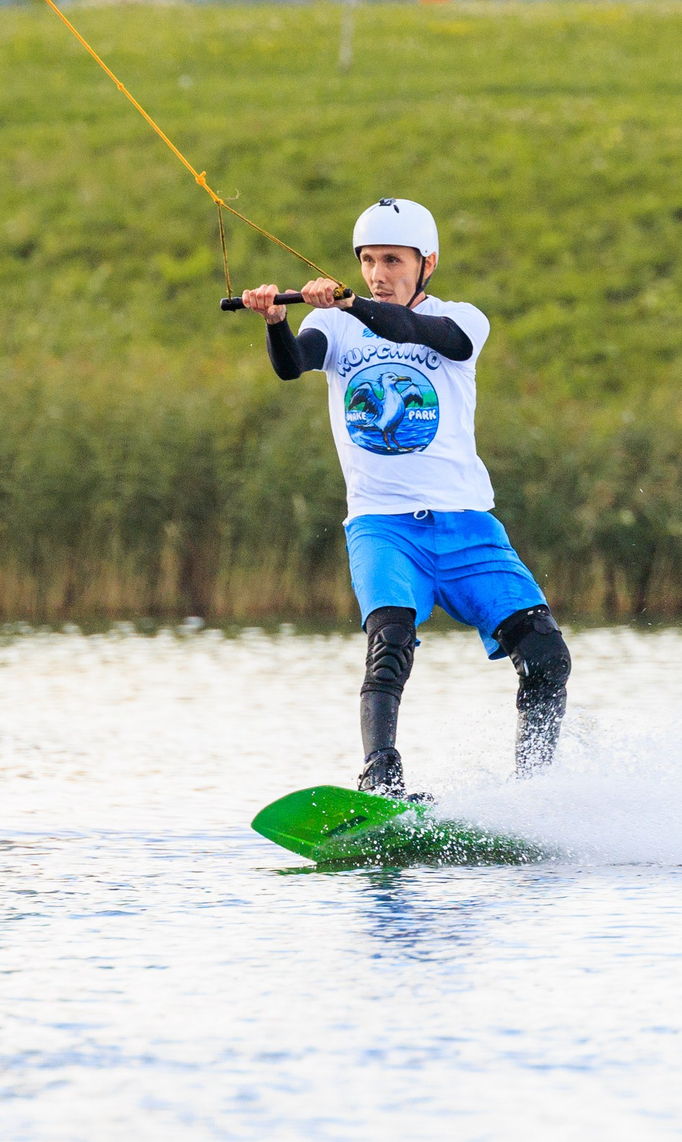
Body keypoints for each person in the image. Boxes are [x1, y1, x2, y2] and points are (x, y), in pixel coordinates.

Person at [238, 198, 569, 794]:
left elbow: (413, 330)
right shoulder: (333, 325)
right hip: (384, 527)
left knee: (548, 657)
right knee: (388, 647)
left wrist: (352, 302)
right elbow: (294, 366)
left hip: (468, 527)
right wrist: (274, 322)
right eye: (367, 261)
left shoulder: (463, 319)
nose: (377, 274)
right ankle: (381, 780)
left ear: (427, 264)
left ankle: (537, 794)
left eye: (392, 261)